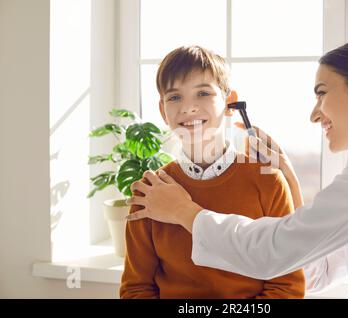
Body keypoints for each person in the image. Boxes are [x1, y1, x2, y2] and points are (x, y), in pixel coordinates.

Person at [126, 39, 348, 298]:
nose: (314, 114)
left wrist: (185, 212)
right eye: (174, 97)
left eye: (321, 93)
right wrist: (291, 181)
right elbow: (317, 274)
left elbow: (276, 256)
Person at [120, 46, 305, 299]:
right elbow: (135, 289)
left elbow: (287, 288)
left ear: (230, 103)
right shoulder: (150, 191)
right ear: (163, 111)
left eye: (203, 93)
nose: (189, 107)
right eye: (175, 97)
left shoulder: (269, 183)